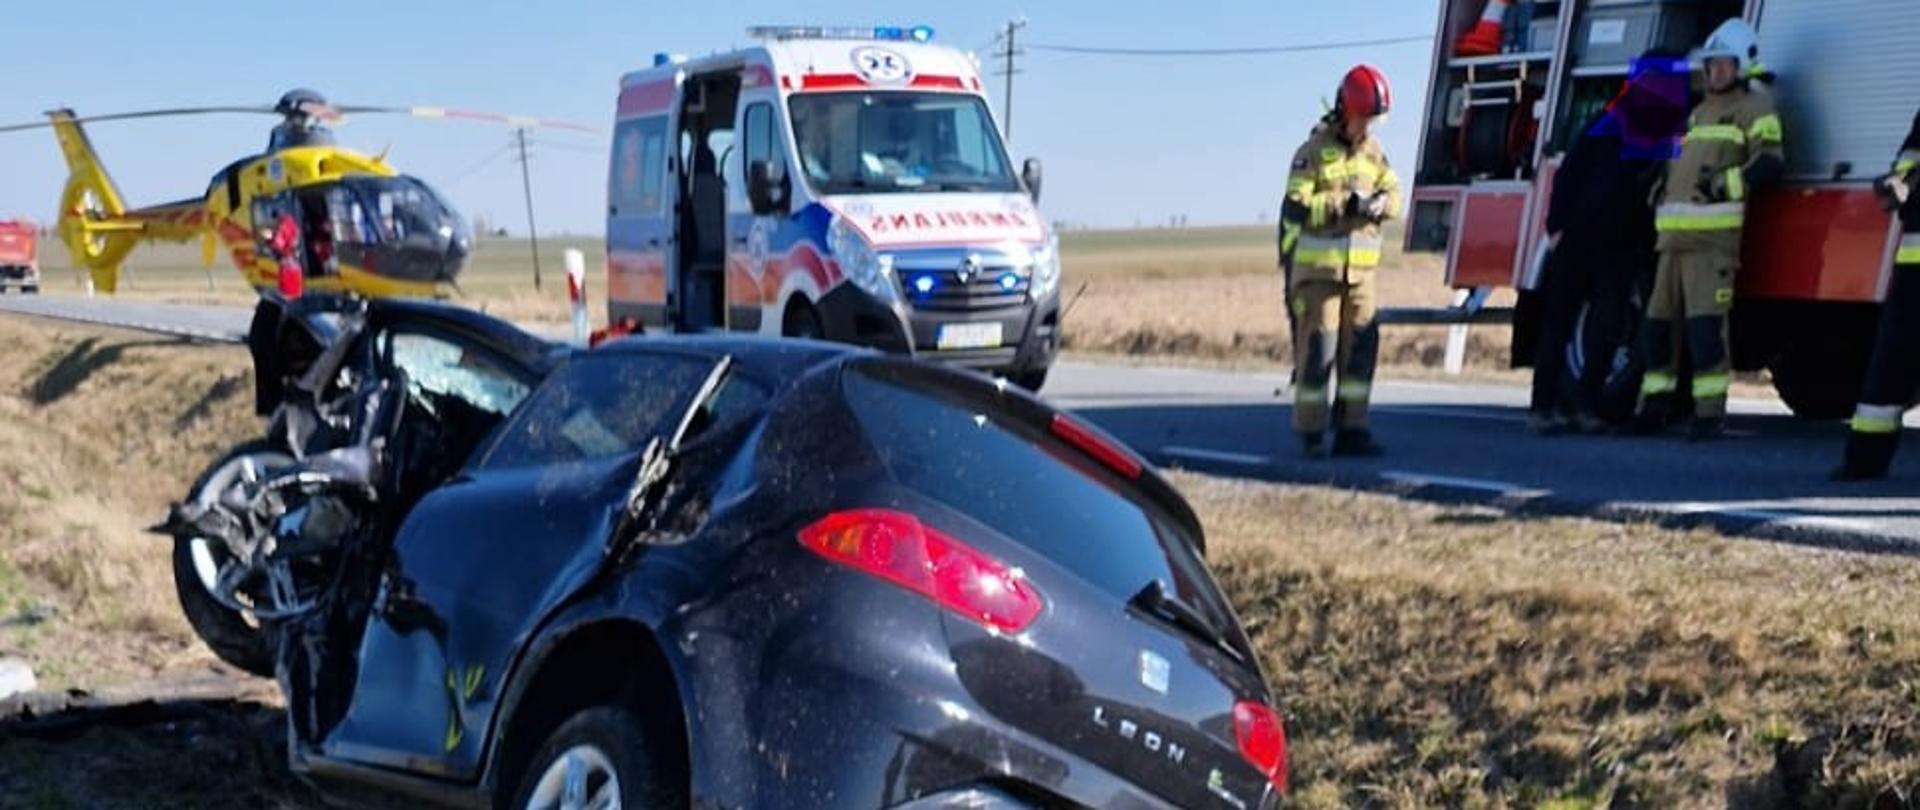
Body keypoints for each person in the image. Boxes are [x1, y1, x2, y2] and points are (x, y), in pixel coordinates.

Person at [1632, 20, 1784, 440]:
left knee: (1705, 334)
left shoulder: (1756, 108)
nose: (1715, 72)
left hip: (1711, 247)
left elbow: (1770, 164)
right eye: (1712, 65)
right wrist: (1659, 184)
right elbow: (1679, 161)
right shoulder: (1698, 111)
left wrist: (1724, 184)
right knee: (1658, 331)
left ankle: (1708, 414)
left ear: (1744, 65)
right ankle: (1653, 408)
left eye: (1723, 65)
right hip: (1671, 244)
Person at [1527, 52, 1689, 434]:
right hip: (1581, 240)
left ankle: (1583, 408)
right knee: (1560, 324)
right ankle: (1542, 409)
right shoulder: (1609, 122)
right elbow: (1568, 174)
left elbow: (1652, 190)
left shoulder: (1655, 130)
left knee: (1605, 328)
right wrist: (1556, 226)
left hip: (1618, 246)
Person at [1281, 65, 1400, 457]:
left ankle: (1353, 429)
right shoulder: (1312, 153)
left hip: (1361, 277)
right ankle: (1311, 432)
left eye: (1374, 119)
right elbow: (1297, 207)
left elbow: (1394, 197)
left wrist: (1379, 204)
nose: (1369, 126)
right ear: (1346, 109)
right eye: (1365, 116)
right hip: (1320, 275)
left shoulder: (1375, 154)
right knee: (1319, 352)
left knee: (1360, 353)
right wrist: (1342, 206)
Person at [1831, 109, 1920, 480]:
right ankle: (1863, 462)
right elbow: (1910, 158)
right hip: (1914, 263)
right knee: (1889, 365)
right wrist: (1897, 183)